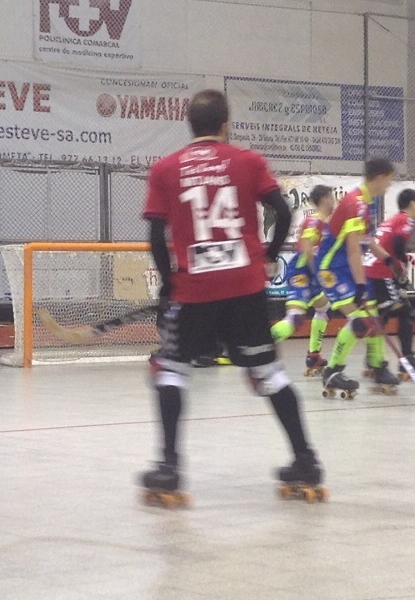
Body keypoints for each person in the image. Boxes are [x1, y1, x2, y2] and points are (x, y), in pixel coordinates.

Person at [140, 89, 323, 501]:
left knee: (171, 371)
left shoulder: (166, 169)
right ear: (226, 125)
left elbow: (155, 235)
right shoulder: (248, 161)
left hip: (195, 291)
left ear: (190, 125)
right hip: (245, 288)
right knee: (269, 374)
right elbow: (283, 211)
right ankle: (306, 461)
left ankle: (169, 467)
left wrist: (169, 283)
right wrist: (268, 257)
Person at [315, 157, 399, 395]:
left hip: (347, 268)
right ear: (380, 177)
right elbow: (353, 249)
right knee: (361, 321)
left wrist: (389, 260)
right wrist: (361, 286)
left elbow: (366, 241)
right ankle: (332, 372)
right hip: (332, 269)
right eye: (389, 180)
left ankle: (378, 366)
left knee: (375, 317)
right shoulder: (355, 203)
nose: (389, 185)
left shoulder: (366, 203)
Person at [270, 185, 335, 375]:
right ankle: (259, 344)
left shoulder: (327, 223)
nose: (334, 201)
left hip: (312, 273)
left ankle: (314, 355)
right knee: (295, 318)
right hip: (302, 271)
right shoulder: (315, 221)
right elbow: (306, 248)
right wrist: (318, 274)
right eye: (332, 197)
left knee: (324, 308)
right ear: (325, 199)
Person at [364, 188, 415, 378]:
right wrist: (402, 267)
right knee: (406, 312)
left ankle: (372, 359)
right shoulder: (406, 220)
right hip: (380, 272)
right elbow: (398, 243)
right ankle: (407, 360)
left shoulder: (392, 219)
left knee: (381, 315)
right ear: (412, 203)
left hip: (369, 270)